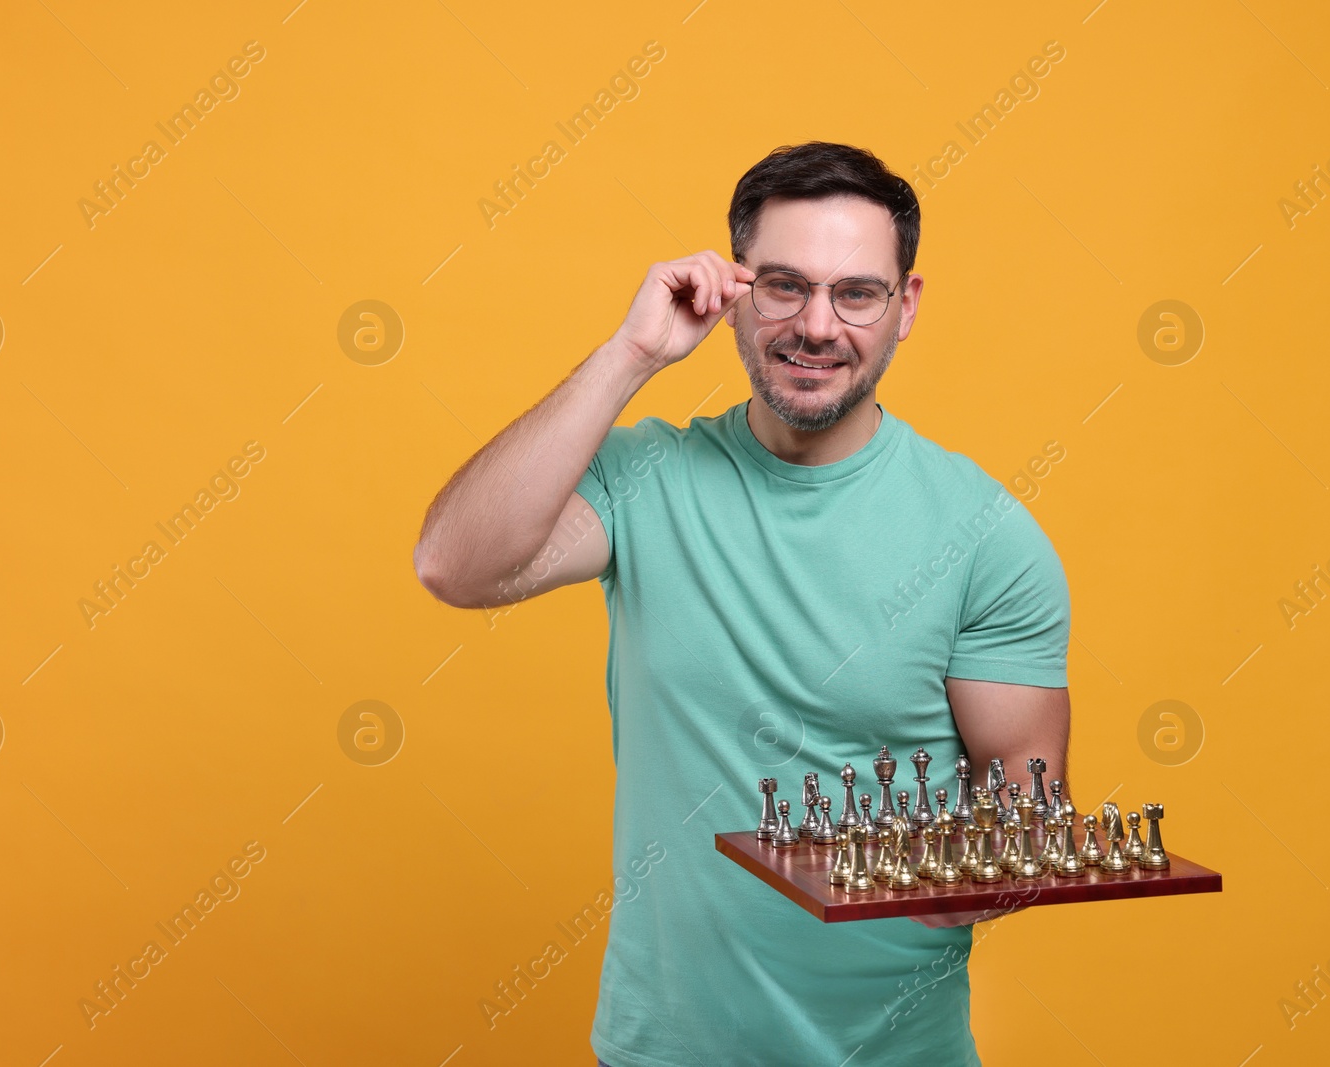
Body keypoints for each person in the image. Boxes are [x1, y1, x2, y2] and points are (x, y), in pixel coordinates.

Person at [413, 141, 1070, 1066]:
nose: (816, 325)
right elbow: (454, 564)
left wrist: (861, 875)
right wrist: (632, 352)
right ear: (730, 291)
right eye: (782, 285)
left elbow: (1028, 823)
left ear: (905, 306)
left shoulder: (986, 536)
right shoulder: (645, 479)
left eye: (857, 292)